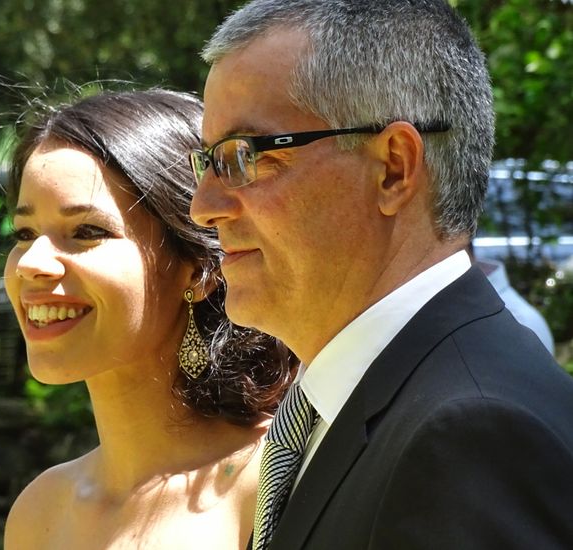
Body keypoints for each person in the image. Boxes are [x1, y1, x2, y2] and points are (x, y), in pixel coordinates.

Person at [188, 1, 573, 549]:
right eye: (208, 162)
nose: (203, 207)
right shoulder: (375, 400)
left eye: (244, 156)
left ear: (393, 167)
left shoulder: (471, 434)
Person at [2, 88, 294, 549]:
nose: (30, 263)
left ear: (199, 269)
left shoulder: (273, 481)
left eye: (86, 231)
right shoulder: (39, 512)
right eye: (23, 233)